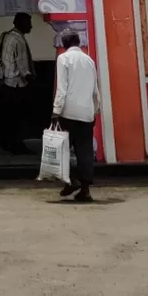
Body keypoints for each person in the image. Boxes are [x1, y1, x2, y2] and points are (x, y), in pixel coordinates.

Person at [52, 29, 101, 203]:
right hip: (86, 112)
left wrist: (56, 111)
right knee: (85, 152)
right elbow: (95, 89)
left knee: (62, 149)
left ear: (64, 44)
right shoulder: (89, 60)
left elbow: (62, 88)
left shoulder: (63, 59)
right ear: (78, 42)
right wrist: (95, 110)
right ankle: (85, 190)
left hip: (68, 112)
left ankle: (70, 180)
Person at [0, 10, 37, 154]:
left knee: (8, 116)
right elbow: (22, 64)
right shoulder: (18, 39)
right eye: (28, 23)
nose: (31, 26)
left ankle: (8, 142)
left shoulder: (5, 36)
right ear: (20, 23)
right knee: (17, 118)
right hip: (16, 84)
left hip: (4, 82)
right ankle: (17, 146)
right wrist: (30, 79)